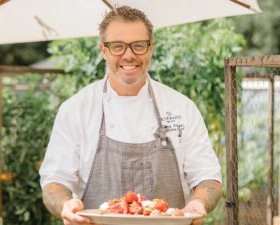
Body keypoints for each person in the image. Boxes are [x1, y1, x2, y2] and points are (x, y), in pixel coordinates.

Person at [39, 5, 222, 225]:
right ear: (103, 50)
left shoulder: (181, 107)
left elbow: (207, 178)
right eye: (117, 46)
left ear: (151, 48)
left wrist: (198, 203)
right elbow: (54, 183)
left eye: (138, 46)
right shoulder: (76, 109)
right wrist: (64, 205)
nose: (129, 55)